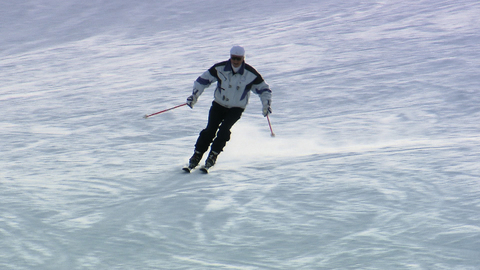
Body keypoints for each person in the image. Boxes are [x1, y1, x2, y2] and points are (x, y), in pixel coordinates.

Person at [185, 45, 272, 170]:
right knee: (210, 130)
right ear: (230, 57)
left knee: (224, 130)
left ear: (243, 58)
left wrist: (266, 105)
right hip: (219, 105)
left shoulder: (250, 74)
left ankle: (213, 155)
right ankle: (197, 155)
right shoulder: (220, 68)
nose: (235, 61)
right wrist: (194, 96)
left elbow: (264, 90)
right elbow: (202, 81)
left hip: (236, 108)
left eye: (238, 59)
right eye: (233, 58)